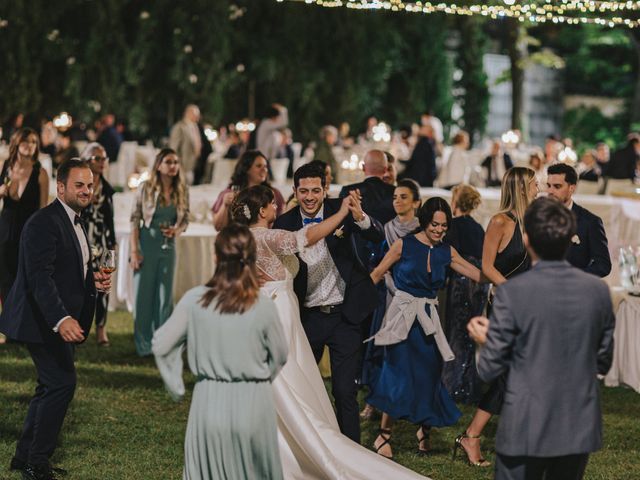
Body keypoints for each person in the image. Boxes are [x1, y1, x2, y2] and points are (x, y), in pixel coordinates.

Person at [232, 183, 427, 480]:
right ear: (262, 210)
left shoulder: (237, 238)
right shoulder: (269, 236)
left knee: (281, 382)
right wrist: (341, 213)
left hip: (266, 312)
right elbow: (307, 237)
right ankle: (297, 443)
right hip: (278, 314)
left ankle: (269, 440)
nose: (278, 206)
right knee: (285, 382)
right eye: (272, 203)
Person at [467, 197, 615, 480]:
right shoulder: (597, 292)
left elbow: (489, 369)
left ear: (527, 238)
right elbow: (603, 361)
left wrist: (487, 341)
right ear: (569, 238)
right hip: (577, 423)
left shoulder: (513, 293)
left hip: (526, 422)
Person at [0, 159, 111, 480]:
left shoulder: (75, 220)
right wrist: (61, 318)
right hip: (40, 319)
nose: (87, 190)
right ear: (60, 187)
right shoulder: (42, 222)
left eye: (90, 185)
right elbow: (40, 277)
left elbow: (68, 268)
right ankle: (37, 463)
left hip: (54, 317)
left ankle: (24, 457)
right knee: (63, 382)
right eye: (79, 184)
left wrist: (93, 283)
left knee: (49, 385)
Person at [152, 224, 288, 480]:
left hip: (209, 402)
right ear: (251, 258)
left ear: (215, 257)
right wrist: (258, 379)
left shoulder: (195, 300)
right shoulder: (263, 305)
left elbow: (161, 343)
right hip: (254, 403)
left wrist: (176, 385)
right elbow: (280, 354)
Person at [273, 162, 385, 443]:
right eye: (303, 191)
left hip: (344, 315)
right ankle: (312, 447)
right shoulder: (284, 224)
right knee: (303, 389)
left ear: (325, 190)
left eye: (315, 190)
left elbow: (377, 235)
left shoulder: (341, 210)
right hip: (307, 318)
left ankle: (351, 453)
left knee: (345, 391)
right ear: (295, 191)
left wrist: (360, 217)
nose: (309, 197)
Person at [367, 197, 486, 458]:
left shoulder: (447, 251)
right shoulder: (404, 245)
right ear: (424, 221)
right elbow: (377, 273)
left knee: (429, 374)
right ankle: (383, 434)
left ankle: (424, 430)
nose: (439, 230)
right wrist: (356, 305)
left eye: (444, 226)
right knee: (397, 372)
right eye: (435, 224)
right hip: (402, 318)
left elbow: (478, 273)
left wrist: (508, 280)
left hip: (429, 322)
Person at [456, 166, 538, 467]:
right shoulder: (500, 222)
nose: (538, 189)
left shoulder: (532, 223)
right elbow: (488, 267)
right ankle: (472, 436)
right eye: (534, 184)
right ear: (520, 188)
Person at [360, 179, 421, 420]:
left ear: (416, 202)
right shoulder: (386, 229)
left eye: (404, 197)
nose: (397, 201)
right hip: (388, 292)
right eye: (395, 197)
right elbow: (377, 259)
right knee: (380, 350)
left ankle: (405, 400)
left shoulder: (423, 231)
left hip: (414, 296)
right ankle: (374, 402)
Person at [129, 148, 189, 356]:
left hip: (168, 245)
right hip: (147, 243)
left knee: (165, 296)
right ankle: (143, 342)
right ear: (159, 165)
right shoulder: (146, 188)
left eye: (176, 162)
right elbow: (135, 219)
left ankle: (163, 341)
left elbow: (185, 219)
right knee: (143, 295)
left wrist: (177, 230)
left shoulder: (182, 189)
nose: (173, 166)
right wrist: (135, 250)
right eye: (169, 162)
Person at [442, 184, 489, 404]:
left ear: (455, 202)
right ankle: (467, 383)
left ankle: (453, 384)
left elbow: (450, 257)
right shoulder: (478, 227)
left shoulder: (454, 226)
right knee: (470, 335)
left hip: (462, 282)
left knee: (456, 331)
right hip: (479, 284)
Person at [0, 128, 49, 303]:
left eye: (34, 142)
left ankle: (23, 322)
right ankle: (8, 322)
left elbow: (43, 209)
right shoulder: (5, 167)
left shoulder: (40, 174)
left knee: (26, 279)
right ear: (17, 142)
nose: (30, 145)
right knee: (5, 278)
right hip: (5, 230)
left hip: (28, 232)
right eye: (26, 141)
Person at [79, 143, 116, 346]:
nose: (102, 163)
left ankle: (101, 328)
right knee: (81, 284)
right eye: (97, 159)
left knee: (104, 286)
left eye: (104, 159)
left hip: (103, 243)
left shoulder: (108, 190)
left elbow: (111, 220)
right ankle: (79, 327)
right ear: (86, 160)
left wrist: (113, 246)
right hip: (83, 242)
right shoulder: (80, 186)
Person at [546, 163, 611, 277]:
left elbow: (603, 265)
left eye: (557, 186)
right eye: (548, 185)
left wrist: (574, 277)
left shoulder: (590, 222)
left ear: (572, 188)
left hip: (573, 289)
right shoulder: (539, 216)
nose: (550, 191)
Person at [211, 150, 285, 231]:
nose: (264, 169)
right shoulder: (229, 194)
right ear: (246, 169)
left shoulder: (274, 193)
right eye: (259, 166)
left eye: (266, 166)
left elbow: (283, 222)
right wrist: (225, 206)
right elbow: (218, 227)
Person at [340, 149, 396, 226]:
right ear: (385, 169)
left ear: (363, 167)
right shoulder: (395, 192)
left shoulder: (348, 191)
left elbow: (341, 222)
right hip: (389, 237)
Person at [169, 105, 202, 185]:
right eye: (196, 114)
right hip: (183, 167)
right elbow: (173, 148)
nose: (198, 117)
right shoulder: (179, 127)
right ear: (188, 113)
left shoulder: (195, 126)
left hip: (192, 166)